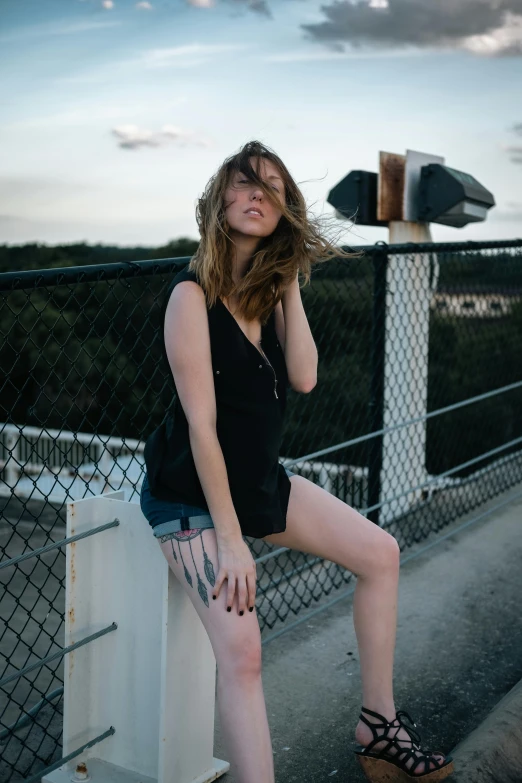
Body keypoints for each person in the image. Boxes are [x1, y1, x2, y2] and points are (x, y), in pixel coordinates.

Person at [140, 140, 454, 783]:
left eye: (274, 188)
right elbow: (202, 427)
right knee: (245, 656)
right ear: (219, 199)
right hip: (191, 498)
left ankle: (379, 727)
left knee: (381, 554)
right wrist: (230, 541)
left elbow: (305, 377)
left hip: (257, 483)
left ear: (285, 210)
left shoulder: (266, 296)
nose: (259, 194)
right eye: (246, 182)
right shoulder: (190, 297)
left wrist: (288, 285)